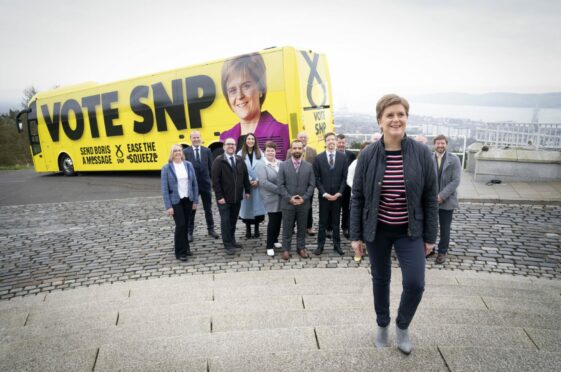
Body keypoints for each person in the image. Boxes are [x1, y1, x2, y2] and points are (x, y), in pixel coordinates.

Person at [350, 94, 438, 355]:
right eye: (390, 115)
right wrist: (356, 236)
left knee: (415, 283)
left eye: (401, 114)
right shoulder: (368, 156)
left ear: (407, 119)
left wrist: (430, 237)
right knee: (381, 279)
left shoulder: (422, 153)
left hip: (410, 231)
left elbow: (430, 199)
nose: (396, 119)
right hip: (377, 230)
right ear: (380, 121)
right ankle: (382, 324)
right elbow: (358, 197)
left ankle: (402, 325)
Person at [219, 53, 289, 160]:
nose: (239, 96)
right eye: (232, 90)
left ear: (261, 90)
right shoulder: (225, 137)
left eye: (246, 86)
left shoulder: (280, 131)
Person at [211, 138, 251, 255]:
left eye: (233, 144)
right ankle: (227, 244)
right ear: (224, 147)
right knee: (225, 221)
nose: (231, 146)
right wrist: (219, 197)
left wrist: (247, 190)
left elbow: (245, 176)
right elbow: (215, 182)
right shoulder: (218, 161)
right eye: (228, 144)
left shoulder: (239, 160)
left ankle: (232, 241)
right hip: (224, 199)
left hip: (237, 197)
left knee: (233, 221)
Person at [278, 140, 315, 260]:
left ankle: (301, 248)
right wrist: (290, 198)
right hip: (288, 203)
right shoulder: (283, 165)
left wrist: (303, 199)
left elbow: (311, 185)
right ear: (291, 150)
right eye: (295, 148)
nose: (297, 150)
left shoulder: (309, 166)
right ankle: (286, 249)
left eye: (300, 148)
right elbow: (280, 185)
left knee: (302, 228)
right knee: (287, 228)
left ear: (303, 150)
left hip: (303, 204)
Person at [161, 144, 199, 261]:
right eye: (175, 151)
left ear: (182, 153)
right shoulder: (167, 168)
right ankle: (180, 252)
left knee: (186, 225)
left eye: (179, 150)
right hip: (175, 201)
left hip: (188, 199)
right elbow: (164, 188)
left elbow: (194, 184)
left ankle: (186, 248)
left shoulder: (188, 165)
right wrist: (168, 206)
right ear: (172, 153)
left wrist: (195, 201)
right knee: (180, 225)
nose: (177, 152)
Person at [313, 132, 348, 256]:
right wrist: (323, 193)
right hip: (324, 197)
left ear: (336, 141)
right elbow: (316, 178)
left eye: (333, 139)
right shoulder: (318, 158)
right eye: (329, 140)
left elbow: (345, 177)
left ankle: (337, 245)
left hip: (338, 196)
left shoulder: (343, 158)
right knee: (322, 222)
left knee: (336, 222)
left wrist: (340, 192)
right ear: (325, 142)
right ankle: (320, 245)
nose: (331, 142)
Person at [183, 130, 219, 242]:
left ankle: (211, 229)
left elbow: (211, 168)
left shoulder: (207, 151)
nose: (196, 139)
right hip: (193, 186)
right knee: (191, 209)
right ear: (190, 139)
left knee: (208, 208)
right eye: (194, 138)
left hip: (205, 184)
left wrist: (212, 183)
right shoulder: (186, 152)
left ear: (200, 138)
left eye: (198, 137)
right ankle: (189, 232)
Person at [431, 134, 461, 264]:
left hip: (447, 200)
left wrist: (442, 196)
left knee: (445, 228)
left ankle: (442, 252)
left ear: (446, 144)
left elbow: (455, 181)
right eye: (438, 143)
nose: (440, 146)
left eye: (442, 143)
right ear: (434, 145)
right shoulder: (428, 158)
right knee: (430, 227)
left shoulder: (454, 159)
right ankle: (429, 248)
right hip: (431, 200)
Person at [286, 131, 318, 236]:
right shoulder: (289, 151)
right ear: (297, 139)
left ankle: (309, 226)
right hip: (293, 184)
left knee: (308, 206)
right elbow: (287, 167)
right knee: (293, 205)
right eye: (301, 137)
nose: (303, 139)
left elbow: (315, 168)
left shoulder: (313, 151)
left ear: (307, 139)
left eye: (305, 137)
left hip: (308, 184)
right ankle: (292, 227)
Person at [255, 141, 283, 256]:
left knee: (279, 219)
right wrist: (281, 190)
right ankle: (269, 245)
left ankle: (275, 240)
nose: (270, 152)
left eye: (272, 150)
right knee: (273, 221)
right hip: (270, 196)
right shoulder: (261, 164)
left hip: (281, 196)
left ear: (275, 151)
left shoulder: (281, 163)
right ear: (264, 152)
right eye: (268, 150)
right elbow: (264, 182)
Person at [238, 133, 267, 239]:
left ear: (255, 141)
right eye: (249, 139)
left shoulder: (260, 153)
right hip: (246, 185)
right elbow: (239, 169)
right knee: (247, 208)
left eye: (252, 139)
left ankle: (257, 229)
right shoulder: (240, 153)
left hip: (258, 185)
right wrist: (249, 180)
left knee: (258, 208)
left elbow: (265, 168)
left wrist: (258, 180)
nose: (250, 141)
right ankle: (248, 229)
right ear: (245, 141)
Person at [336, 133, 356, 239]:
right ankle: (331, 228)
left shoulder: (351, 155)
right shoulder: (332, 154)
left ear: (346, 143)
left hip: (347, 187)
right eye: (339, 142)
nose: (341, 145)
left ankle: (345, 227)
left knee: (346, 208)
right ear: (336, 142)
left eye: (343, 143)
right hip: (335, 186)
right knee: (334, 208)